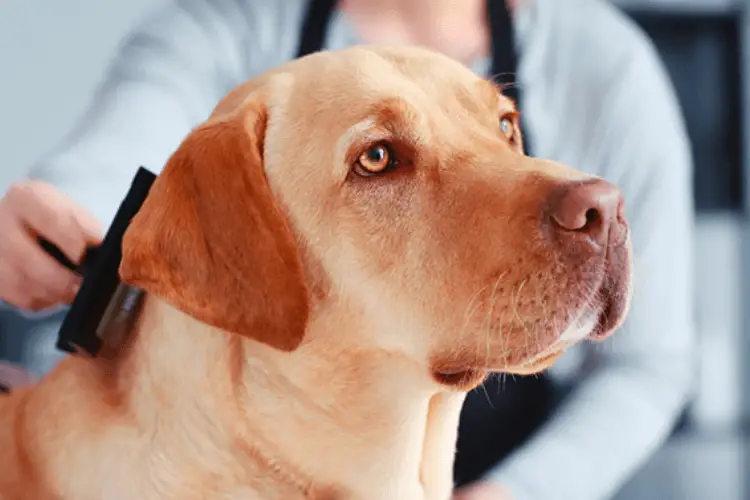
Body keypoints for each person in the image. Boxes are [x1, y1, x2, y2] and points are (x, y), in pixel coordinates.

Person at [0, 0, 695, 498]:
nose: (581, 196)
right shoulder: (228, 25)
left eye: (503, 126)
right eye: (380, 159)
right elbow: (125, 152)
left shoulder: (604, 56)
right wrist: (58, 210)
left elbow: (649, 368)